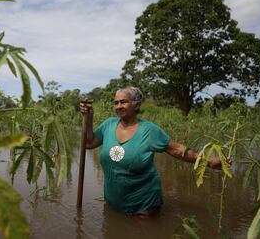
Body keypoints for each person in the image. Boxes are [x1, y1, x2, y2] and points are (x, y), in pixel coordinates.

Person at [79, 87, 222, 217]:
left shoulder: (149, 130)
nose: (118, 106)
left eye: (123, 102)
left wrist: (208, 161)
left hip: (143, 206)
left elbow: (177, 149)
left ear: (137, 105)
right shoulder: (108, 125)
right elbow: (89, 143)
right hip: (114, 203)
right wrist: (89, 118)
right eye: (116, 103)